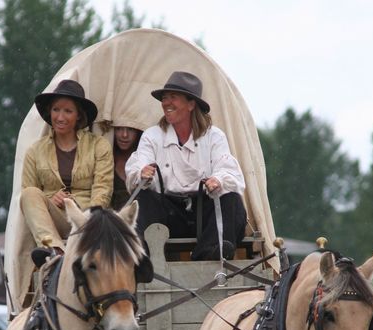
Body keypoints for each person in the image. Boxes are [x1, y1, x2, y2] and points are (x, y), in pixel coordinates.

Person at [125, 71, 247, 260]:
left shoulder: (214, 136)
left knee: (231, 200)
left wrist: (218, 180)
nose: (166, 103)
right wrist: (142, 172)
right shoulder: (152, 136)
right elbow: (139, 163)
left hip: (204, 213)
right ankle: (140, 256)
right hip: (168, 215)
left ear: (191, 104)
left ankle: (209, 254)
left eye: (173, 97)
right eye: (165, 98)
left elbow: (227, 168)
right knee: (143, 199)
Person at [21, 79, 113, 260]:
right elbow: (28, 196)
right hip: (54, 222)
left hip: (87, 219)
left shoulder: (99, 145)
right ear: (50, 112)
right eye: (56, 110)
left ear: (78, 115)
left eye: (68, 111)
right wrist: (50, 199)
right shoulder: (35, 151)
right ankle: (56, 251)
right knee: (29, 194)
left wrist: (89, 218)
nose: (60, 117)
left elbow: (103, 189)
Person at [111, 126, 142, 210]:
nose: (124, 135)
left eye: (131, 129)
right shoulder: (106, 159)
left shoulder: (145, 159)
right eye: (119, 128)